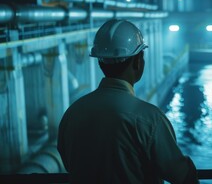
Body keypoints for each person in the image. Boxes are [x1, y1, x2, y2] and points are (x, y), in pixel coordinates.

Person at [57, 19, 199, 184]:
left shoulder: (73, 113)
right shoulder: (149, 119)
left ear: (100, 62)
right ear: (138, 62)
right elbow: (182, 176)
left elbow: (68, 163)